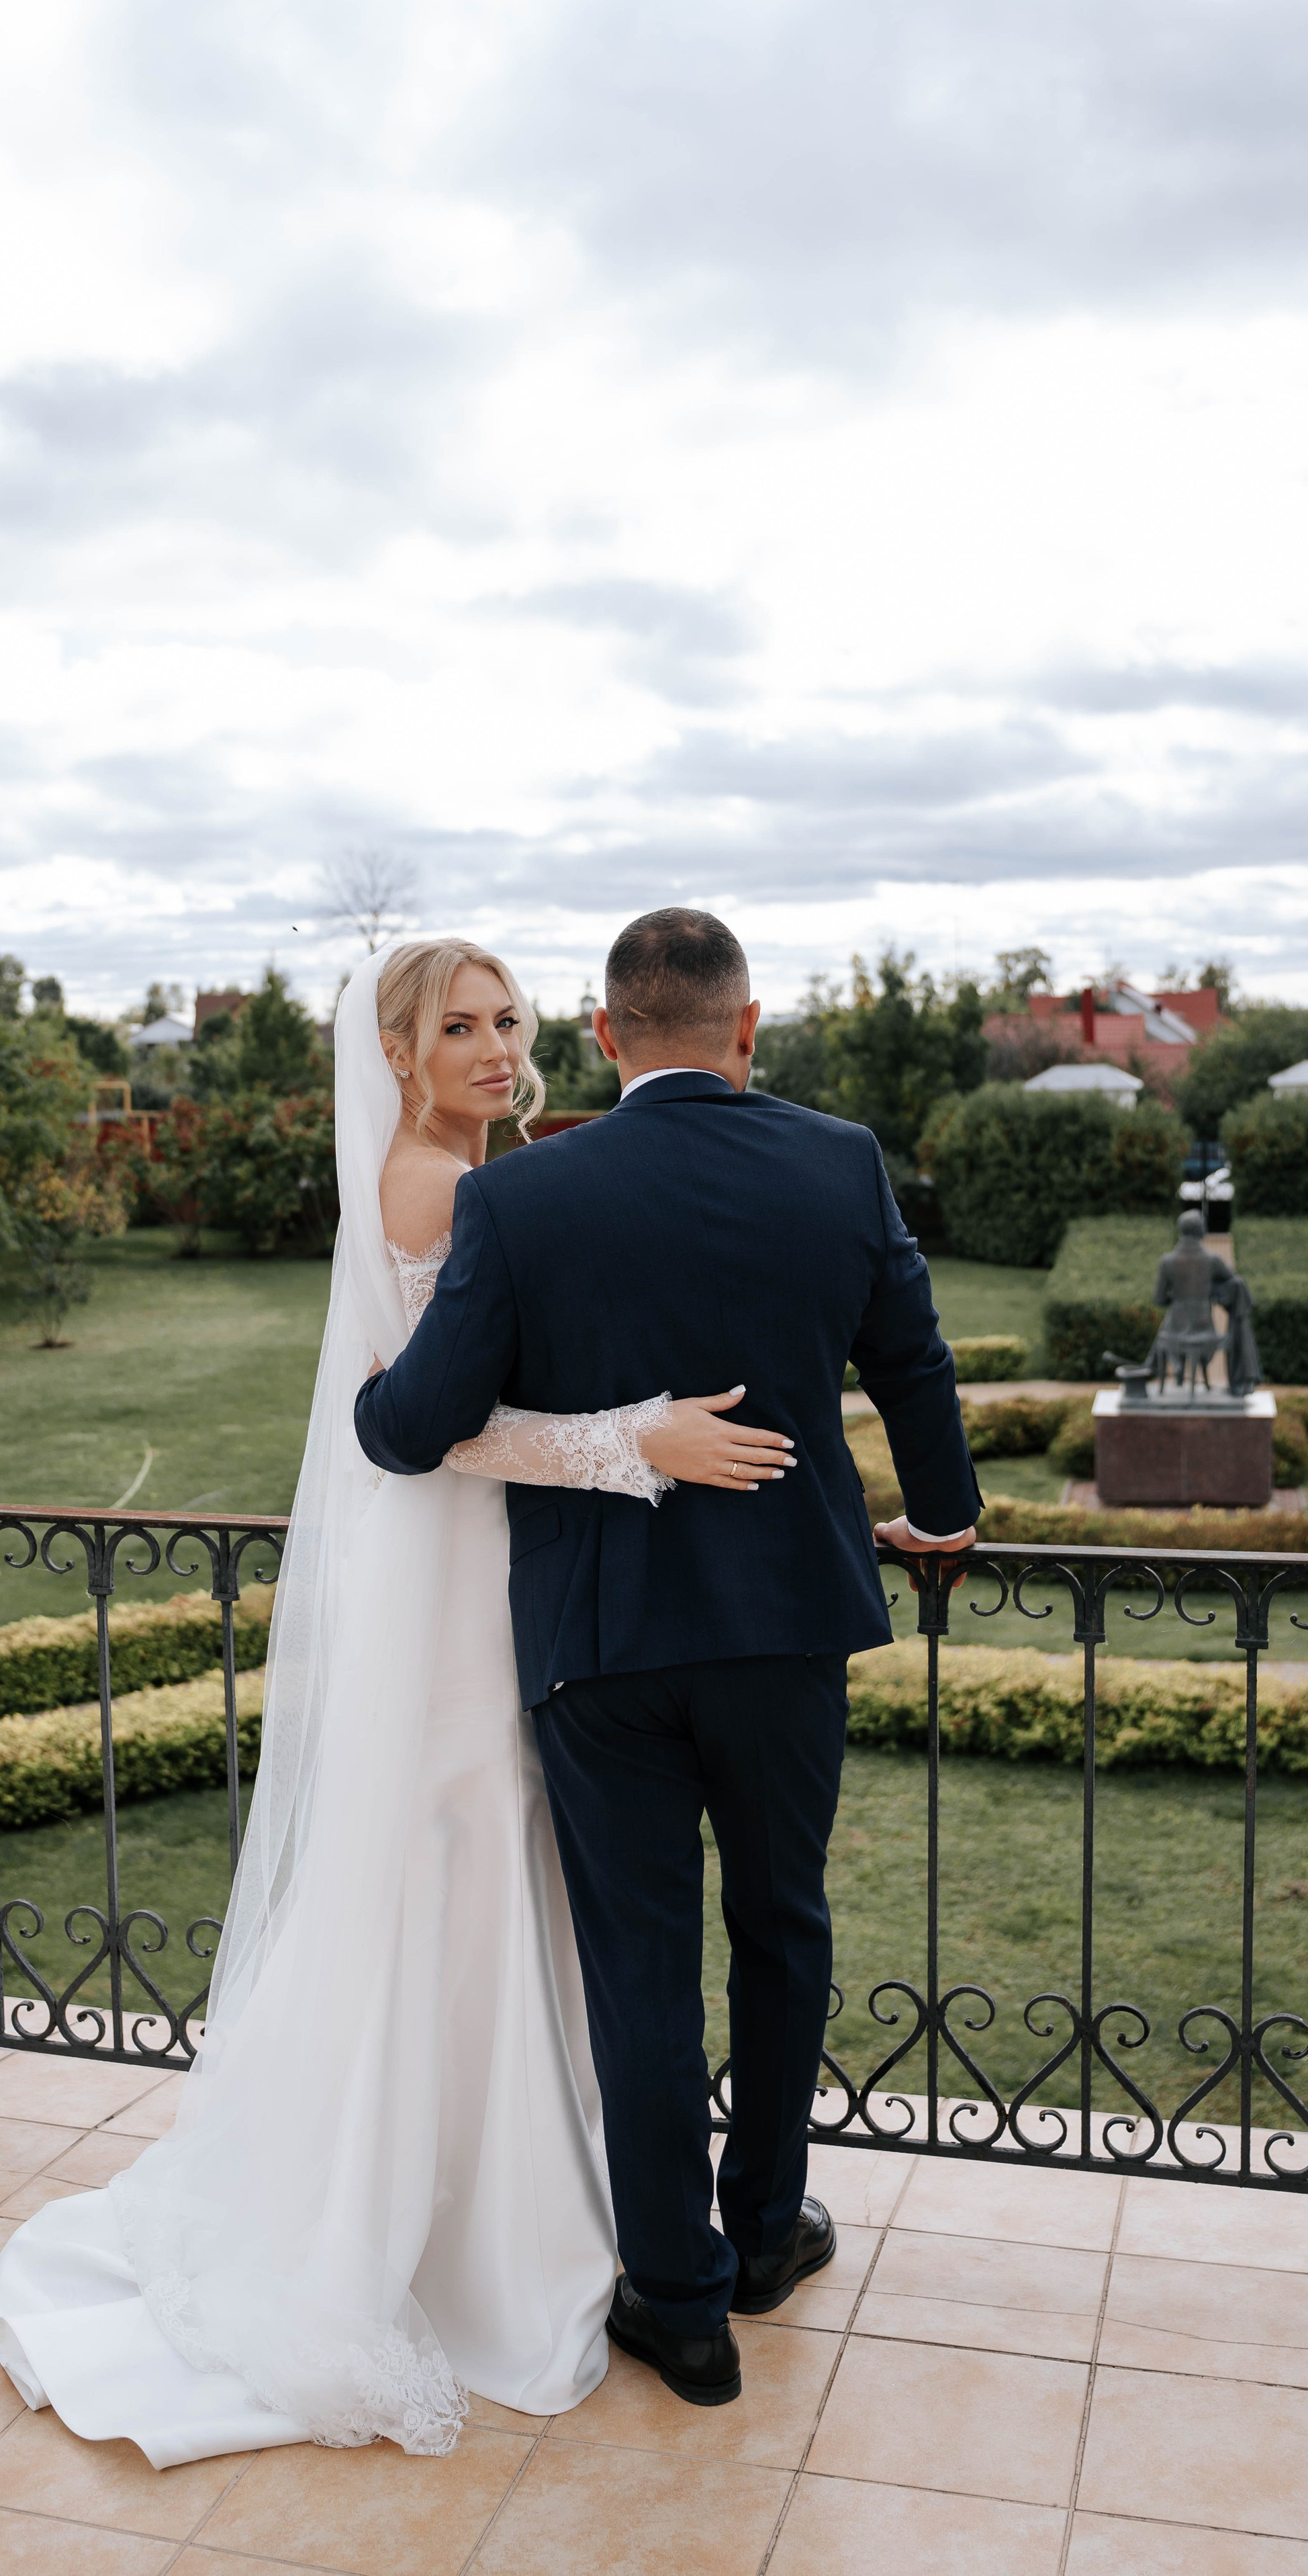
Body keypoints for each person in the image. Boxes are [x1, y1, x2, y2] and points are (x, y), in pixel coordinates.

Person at [0, 935, 794, 2465]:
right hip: (457, 1571)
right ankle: (458, 2227)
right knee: (469, 1839)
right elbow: (433, 1430)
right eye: (456, 1029)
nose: (495, 1048)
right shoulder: (437, 1186)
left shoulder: (494, 1175)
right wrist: (639, 1439)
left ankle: (546, 2188)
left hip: (502, 1569)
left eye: (507, 1018)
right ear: (398, 1060)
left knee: (505, 1854)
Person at [357, 906, 980, 2407]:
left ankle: (679, 2304)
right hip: (784, 1630)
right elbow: (909, 1357)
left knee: (642, 1972)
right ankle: (766, 2233)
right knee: (782, 1926)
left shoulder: (525, 1197)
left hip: (603, 1648)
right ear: (745, 1029)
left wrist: (384, 1400)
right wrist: (944, 1519)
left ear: (604, 1033)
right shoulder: (838, 1162)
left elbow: (413, 1423)